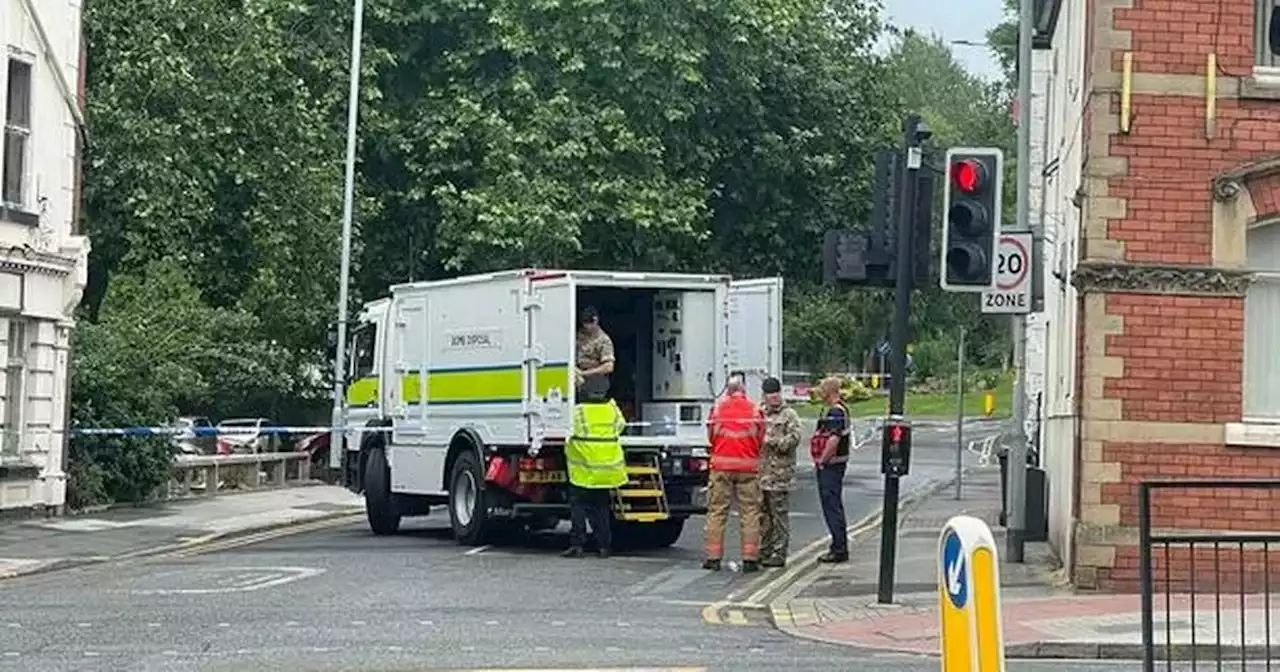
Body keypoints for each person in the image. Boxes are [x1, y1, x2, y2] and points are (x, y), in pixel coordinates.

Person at [702, 371, 766, 573]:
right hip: (748, 467)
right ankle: (750, 558)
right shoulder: (755, 410)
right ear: (744, 390)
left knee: (717, 512)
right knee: (750, 513)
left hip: (721, 467)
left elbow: (711, 436)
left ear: (727, 391)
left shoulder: (718, 409)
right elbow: (760, 439)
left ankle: (713, 558)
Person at [562, 375, 629, 559]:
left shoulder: (579, 411)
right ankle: (604, 547)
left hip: (583, 469)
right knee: (601, 507)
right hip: (607, 468)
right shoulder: (612, 409)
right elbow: (621, 426)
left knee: (578, 505)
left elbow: (567, 429)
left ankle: (578, 544)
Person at [758, 376, 803, 568]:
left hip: (780, 475)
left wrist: (773, 442)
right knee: (763, 516)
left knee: (779, 516)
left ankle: (779, 552)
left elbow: (794, 438)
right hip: (762, 474)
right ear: (765, 396)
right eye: (770, 394)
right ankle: (764, 549)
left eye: (776, 394)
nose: (774, 398)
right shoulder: (759, 413)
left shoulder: (789, 414)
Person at [810, 376, 852, 563]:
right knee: (833, 505)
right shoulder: (840, 409)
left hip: (832, 466)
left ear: (829, 391)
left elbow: (833, 440)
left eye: (822, 389)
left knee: (832, 506)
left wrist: (822, 460)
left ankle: (839, 548)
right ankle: (838, 545)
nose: (819, 393)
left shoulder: (836, 412)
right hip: (834, 464)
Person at [575, 305, 616, 387]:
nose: (586, 326)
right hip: (577, 381)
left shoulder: (603, 340)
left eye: (589, 323)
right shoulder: (579, 335)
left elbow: (609, 367)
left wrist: (584, 373)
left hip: (595, 384)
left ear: (595, 320)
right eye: (584, 323)